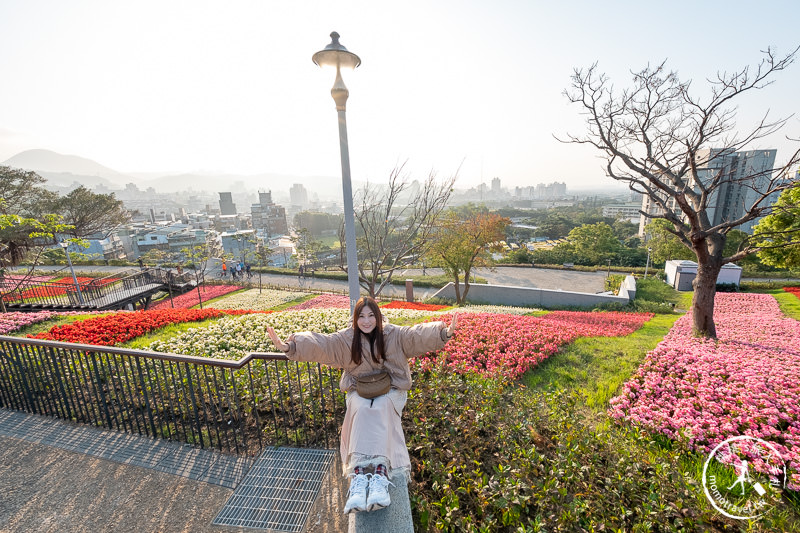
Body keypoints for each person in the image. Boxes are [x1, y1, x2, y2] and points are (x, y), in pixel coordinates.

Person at [267, 296, 458, 515]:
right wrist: (290, 346)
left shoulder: (393, 335)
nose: (366, 321)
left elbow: (416, 336)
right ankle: (359, 478)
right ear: (355, 319)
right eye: (361, 316)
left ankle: (379, 476)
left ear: (378, 316)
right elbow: (322, 344)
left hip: (392, 389)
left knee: (381, 406)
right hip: (359, 388)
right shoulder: (347, 340)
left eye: (371, 316)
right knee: (359, 406)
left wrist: (443, 333)